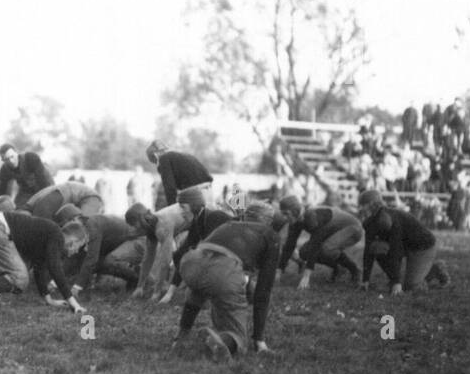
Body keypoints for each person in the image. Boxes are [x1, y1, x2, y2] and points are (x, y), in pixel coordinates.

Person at [172, 201, 281, 361]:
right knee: (239, 339)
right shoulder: (269, 234)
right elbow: (263, 291)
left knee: (200, 289)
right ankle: (219, 340)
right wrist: (259, 340)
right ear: (268, 220)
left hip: (191, 262)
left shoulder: (228, 224)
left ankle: (181, 338)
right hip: (222, 269)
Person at [0, 203, 88, 315]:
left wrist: (49, 300)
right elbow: (56, 269)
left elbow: (39, 268)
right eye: (78, 247)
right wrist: (73, 303)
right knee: (20, 278)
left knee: (17, 274)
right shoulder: (57, 235)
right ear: (73, 241)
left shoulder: (47, 236)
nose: (76, 252)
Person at [358, 188, 449, 293]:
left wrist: (396, 282)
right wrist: (365, 280)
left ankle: (434, 269)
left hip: (422, 247)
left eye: (363, 205)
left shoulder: (387, 219)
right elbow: (368, 251)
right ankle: (398, 279)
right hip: (406, 245)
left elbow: (396, 249)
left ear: (373, 205)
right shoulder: (371, 221)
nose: (361, 209)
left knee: (411, 287)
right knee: (375, 247)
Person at [276, 195, 363, 287]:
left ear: (294, 211)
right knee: (304, 252)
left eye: (286, 213)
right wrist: (278, 272)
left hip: (353, 228)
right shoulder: (296, 218)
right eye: (283, 214)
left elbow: (315, 244)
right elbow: (289, 245)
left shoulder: (311, 216)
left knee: (327, 249)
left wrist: (306, 277)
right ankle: (339, 269)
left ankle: (355, 269)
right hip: (332, 231)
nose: (284, 218)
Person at [146, 140, 213, 209]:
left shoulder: (163, 158)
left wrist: (172, 208)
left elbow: (170, 188)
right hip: (208, 189)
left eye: (155, 162)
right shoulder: (180, 155)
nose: (157, 165)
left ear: (155, 155)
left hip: (196, 193)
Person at [22, 180, 104, 221]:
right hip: (60, 193)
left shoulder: (31, 203)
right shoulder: (32, 204)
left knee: (84, 224)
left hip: (60, 193)